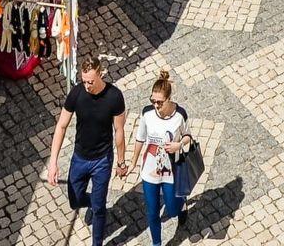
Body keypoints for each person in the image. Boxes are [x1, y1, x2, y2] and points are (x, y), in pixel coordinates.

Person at [48, 53, 127, 246]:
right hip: (80, 157)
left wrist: (121, 162)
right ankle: (94, 202)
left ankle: (97, 241)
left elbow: (119, 131)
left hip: (102, 160)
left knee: (99, 210)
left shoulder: (114, 97)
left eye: (90, 82)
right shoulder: (77, 93)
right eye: (84, 81)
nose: (87, 86)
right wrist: (53, 162)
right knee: (74, 200)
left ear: (101, 74)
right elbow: (61, 126)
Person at [135, 70, 193, 245]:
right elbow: (140, 138)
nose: (156, 105)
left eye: (160, 102)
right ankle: (157, 243)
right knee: (152, 212)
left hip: (171, 170)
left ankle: (182, 203)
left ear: (168, 99)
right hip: (149, 170)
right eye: (153, 101)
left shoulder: (180, 114)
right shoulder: (147, 113)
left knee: (173, 210)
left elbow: (188, 136)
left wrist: (179, 145)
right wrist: (132, 162)